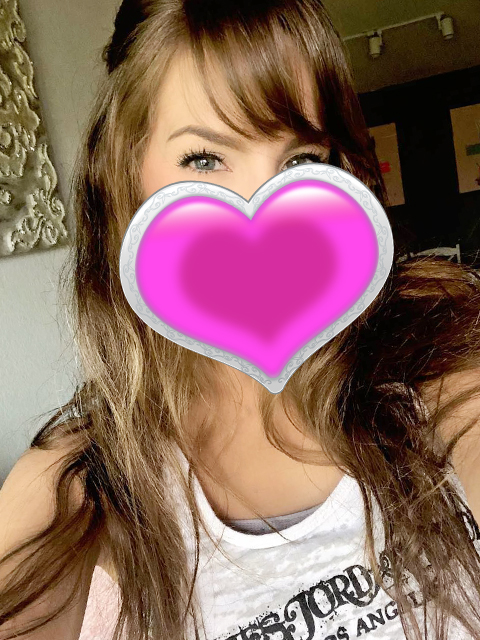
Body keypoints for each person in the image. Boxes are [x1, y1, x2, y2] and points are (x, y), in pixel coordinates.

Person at [1, 1, 480, 639]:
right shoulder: (74, 485)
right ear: (124, 176)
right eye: (204, 158)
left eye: (301, 161)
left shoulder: (436, 349)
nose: (265, 207)